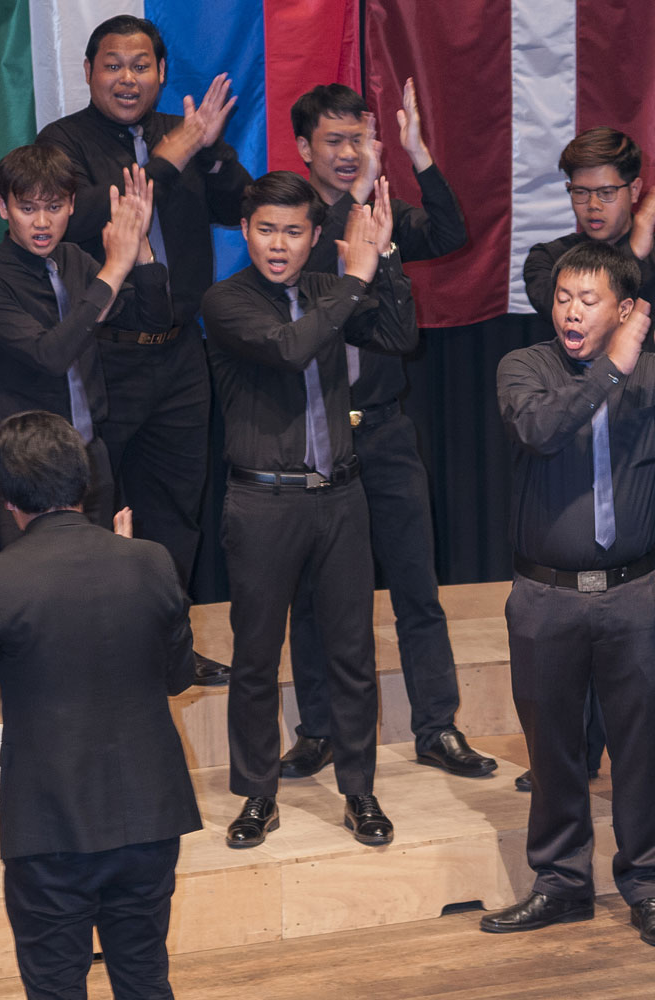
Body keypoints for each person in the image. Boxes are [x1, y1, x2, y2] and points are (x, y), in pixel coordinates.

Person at [0, 410, 201, 1000]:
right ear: (83, 479)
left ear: (6, 499)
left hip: (51, 830)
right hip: (150, 817)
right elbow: (177, 677)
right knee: (145, 979)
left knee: (55, 987)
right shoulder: (151, 561)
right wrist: (135, 577)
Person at [483, 242, 655, 947]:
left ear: (624, 308)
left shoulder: (653, 372)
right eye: (563, 298)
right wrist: (612, 366)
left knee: (642, 753)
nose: (572, 312)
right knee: (553, 752)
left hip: (634, 595)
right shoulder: (524, 366)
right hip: (545, 595)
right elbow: (539, 430)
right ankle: (560, 884)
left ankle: (648, 887)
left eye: (589, 300)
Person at [279, 80, 493, 780]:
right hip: (316, 436)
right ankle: (318, 729)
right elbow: (324, 268)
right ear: (304, 147)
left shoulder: (382, 211)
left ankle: (437, 726)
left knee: (415, 586)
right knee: (314, 595)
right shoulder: (293, 222)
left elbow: (453, 233)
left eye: (359, 140)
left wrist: (417, 154)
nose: (349, 153)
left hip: (386, 430)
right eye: (335, 141)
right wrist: (360, 199)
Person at [202, 170, 415, 848]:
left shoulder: (331, 288)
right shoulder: (227, 299)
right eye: (266, 229)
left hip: (341, 497)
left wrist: (385, 259)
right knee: (257, 657)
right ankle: (256, 795)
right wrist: (355, 280)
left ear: (314, 235)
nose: (278, 244)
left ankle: (360, 790)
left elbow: (401, 335)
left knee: (352, 652)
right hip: (262, 500)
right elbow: (289, 348)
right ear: (245, 231)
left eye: (293, 231)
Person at [39, 15, 251, 684]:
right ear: (88, 72)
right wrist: (169, 159)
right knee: (92, 508)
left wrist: (210, 152)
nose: (127, 78)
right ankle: (101, 658)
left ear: (161, 73)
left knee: (174, 511)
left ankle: (168, 651)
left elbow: (237, 206)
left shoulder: (183, 133)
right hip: (103, 353)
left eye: (140, 65)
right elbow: (77, 220)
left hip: (182, 353)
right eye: (113, 65)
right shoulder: (62, 142)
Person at [522, 126, 655, 804]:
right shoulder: (556, 262)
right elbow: (553, 311)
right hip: (578, 451)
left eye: (605, 192)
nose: (591, 205)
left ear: (635, 190)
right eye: (579, 192)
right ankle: (571, 750)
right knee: (577, 605)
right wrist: (637, 247)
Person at [0, 144, 168, 545]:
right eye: (27, 208)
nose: (42, 222)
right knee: (35, 577)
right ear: (3, 207)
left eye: (53, 207)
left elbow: (151, 321)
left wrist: (140, 251)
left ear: (71, 205)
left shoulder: (75, 260)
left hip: (89, 453)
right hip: (24, 459)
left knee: (99, 573)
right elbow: (51, 355)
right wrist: (114, 269)